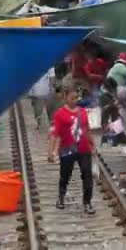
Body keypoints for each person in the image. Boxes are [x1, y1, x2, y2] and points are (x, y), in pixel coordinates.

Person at [49, 85, 96, 215]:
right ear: (65, 97)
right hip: (67, 150)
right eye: (72, 98)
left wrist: (93, 145)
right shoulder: (59, 114)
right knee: (65, 175)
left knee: (87, 176)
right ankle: (61, 197)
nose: (75, 100)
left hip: (83, 148)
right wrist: (51, 152)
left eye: (77, 97)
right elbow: (55, 134)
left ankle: (87, 202)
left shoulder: (82, 111)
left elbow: (87, 130)